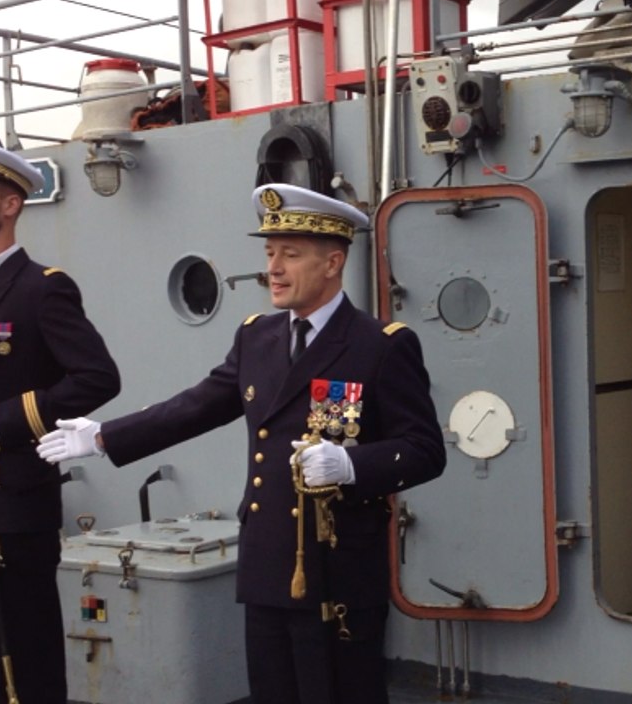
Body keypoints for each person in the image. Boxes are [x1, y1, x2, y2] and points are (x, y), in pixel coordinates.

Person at [37, 182, 446, 704]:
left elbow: (425, 449)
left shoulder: (380, 346)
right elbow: (197, 406)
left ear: (333, 262)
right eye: (270, 253)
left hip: (337, 570)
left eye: (290, 255)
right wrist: (101, 436)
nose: (273, 268)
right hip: (268, 562)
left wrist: (350, 463)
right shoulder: (258, 337)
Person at [0, 137, 121, 703]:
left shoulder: (42, 288)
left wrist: (9, 420)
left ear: (10, 205)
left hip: (15, 502)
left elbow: (97, 378)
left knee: (29, 654)